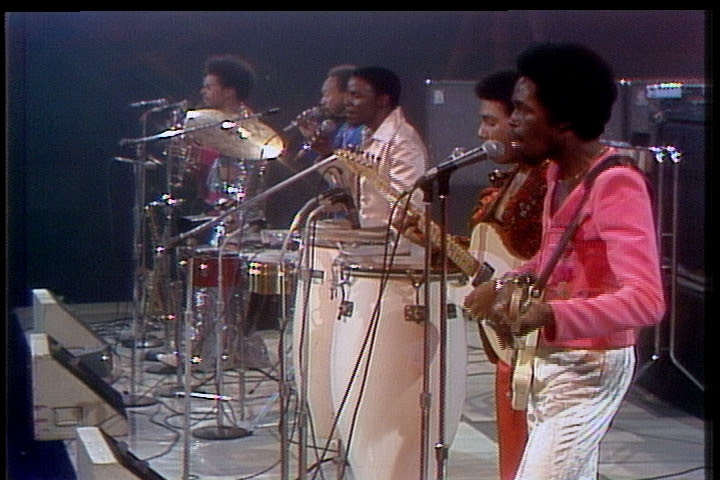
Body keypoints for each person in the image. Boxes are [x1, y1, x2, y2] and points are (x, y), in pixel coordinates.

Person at [463, 42, 665, 479]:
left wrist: (552, 315)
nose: (512, 122)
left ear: (564, 119)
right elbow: (551, 259)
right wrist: (503, 283)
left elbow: (647, 300)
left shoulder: (616, 183)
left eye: (523, 110)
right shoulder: (557, 174)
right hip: (550, 359)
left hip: (591, 365)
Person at [467, 69, 548, 480]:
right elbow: (501, 256)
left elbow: (545, 260)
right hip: (512, 339)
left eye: (491, 120)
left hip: (541, 339)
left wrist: (500, 286)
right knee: (514, 454)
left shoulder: (550, 179)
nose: (483, 132)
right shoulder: (516, 177)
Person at [344, 65, 429, 230]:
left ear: (382, 100)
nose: (347, 102)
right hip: (370, 241)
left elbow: (408, 209)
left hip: (392, 244)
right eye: (348, 94)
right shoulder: (368, 135)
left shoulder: (403, 142)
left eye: (356, 96)